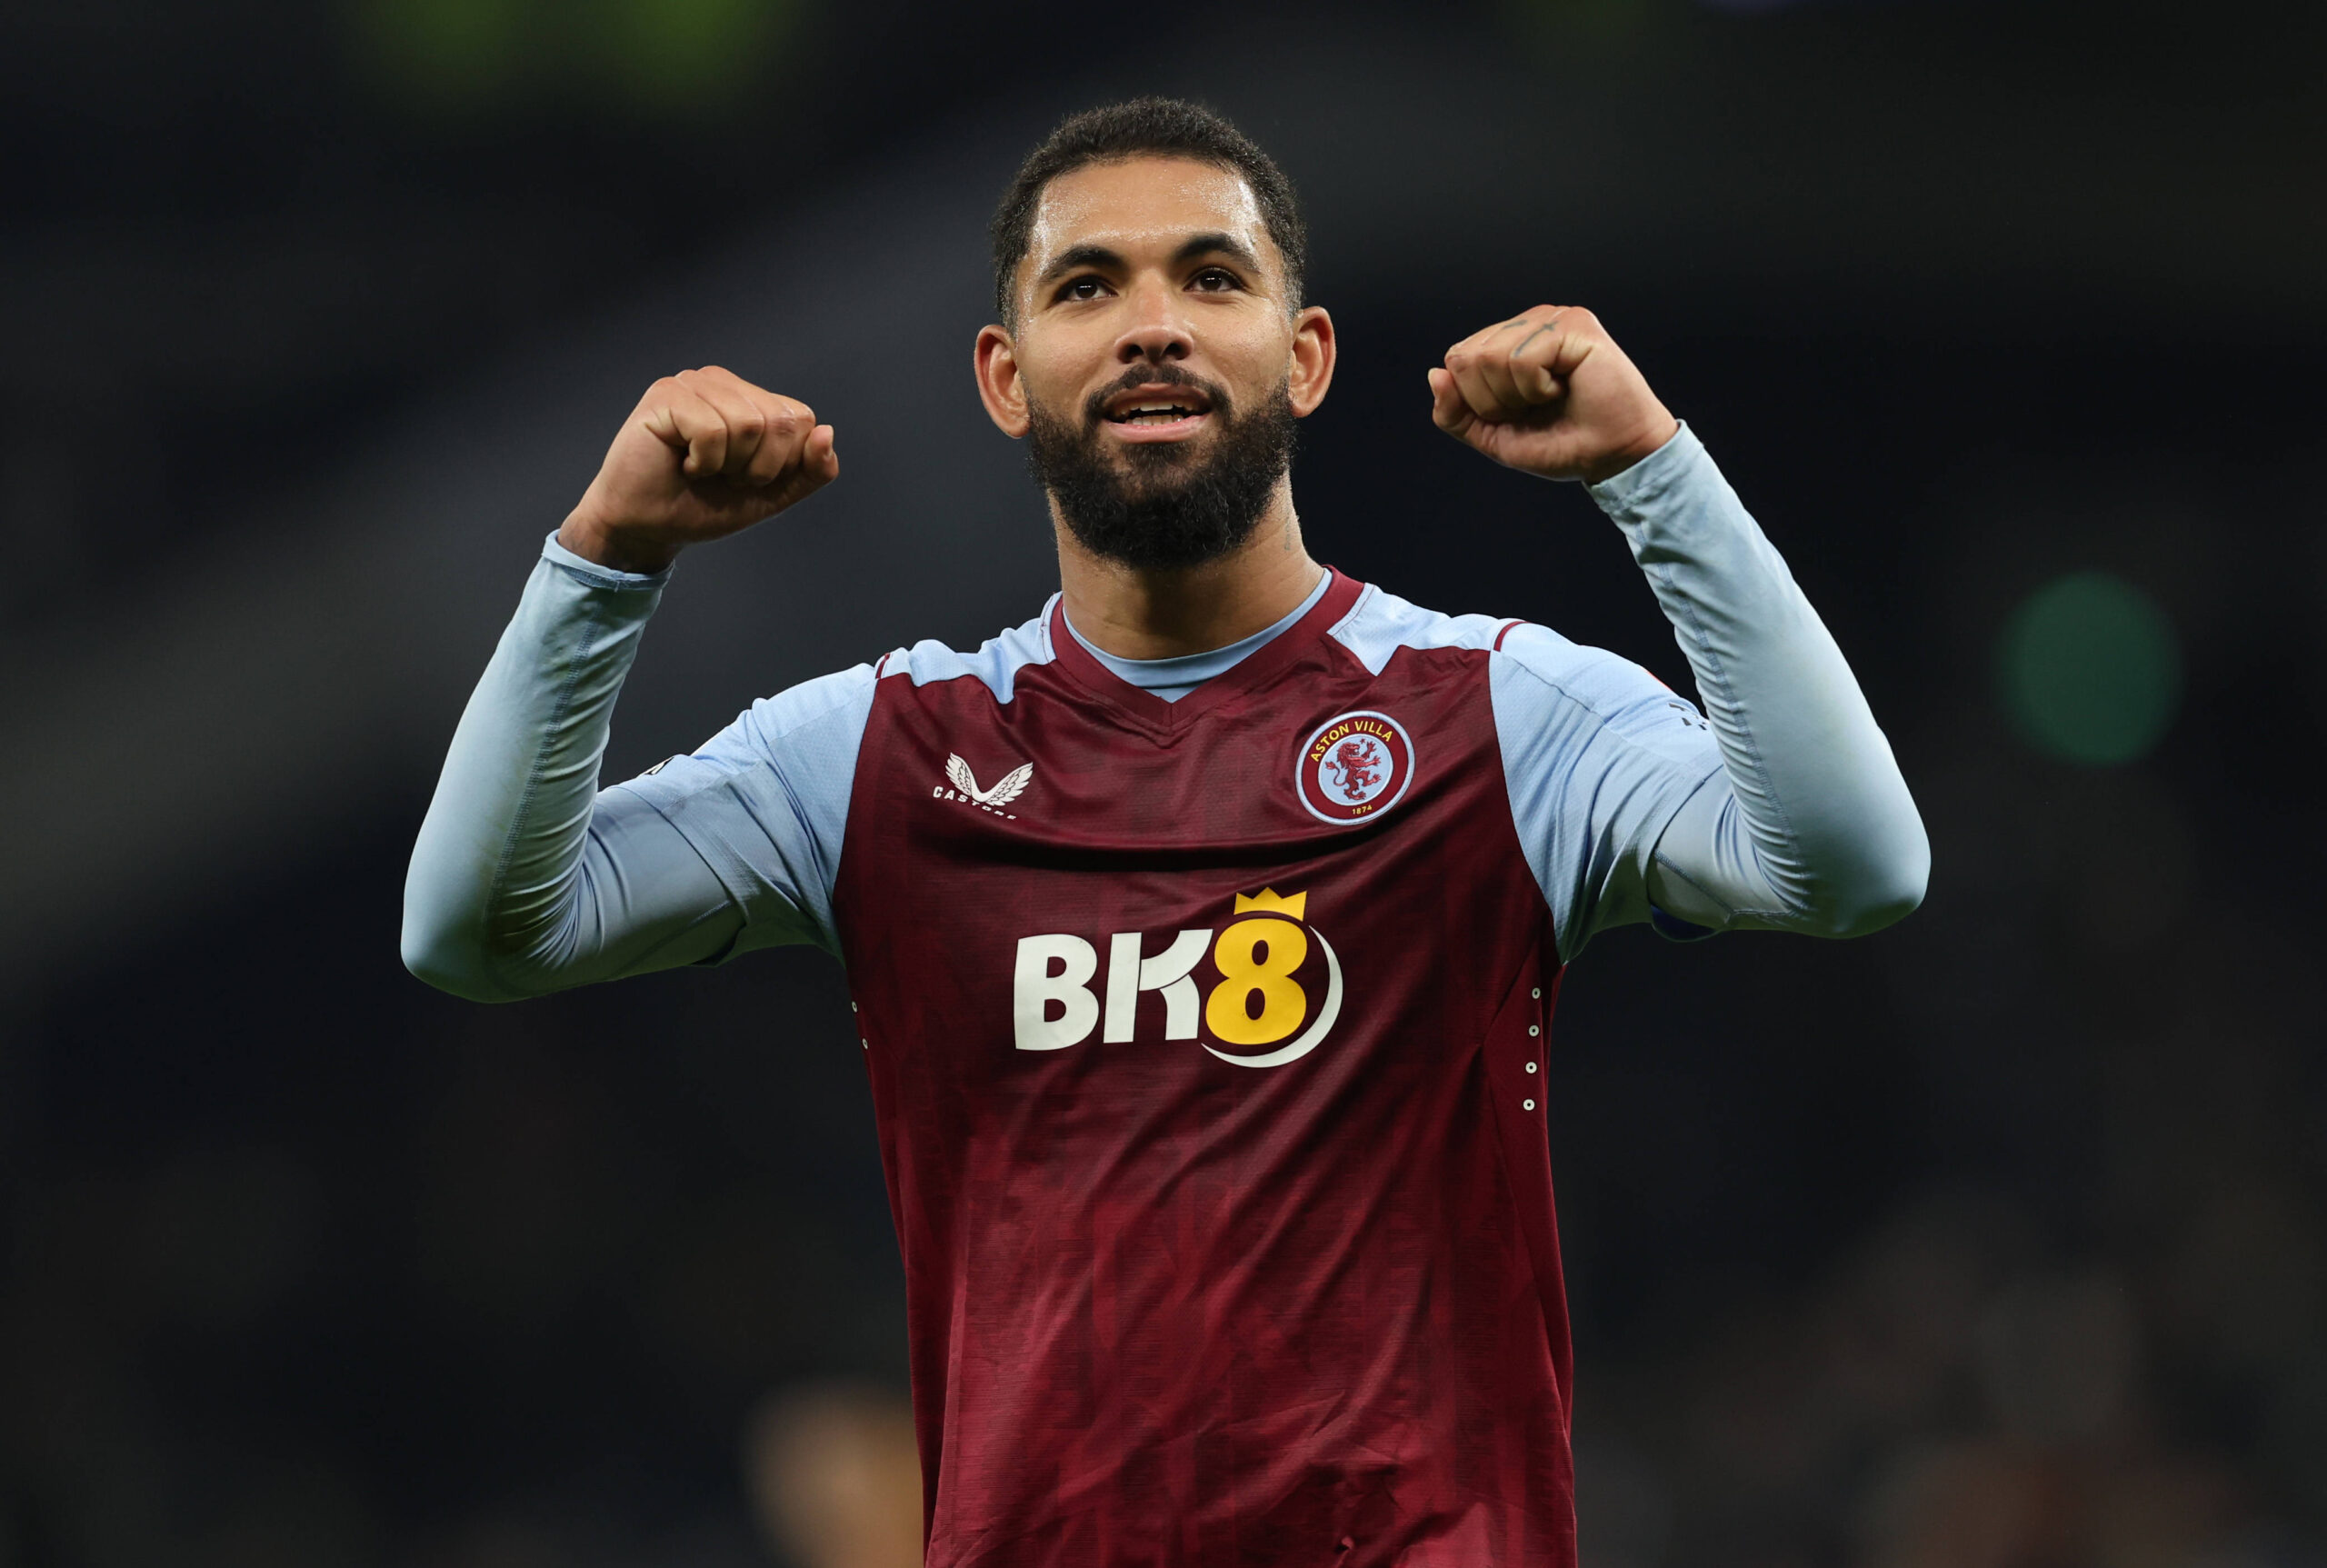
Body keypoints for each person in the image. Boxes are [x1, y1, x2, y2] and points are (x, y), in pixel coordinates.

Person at [404, 97, 1927, 1568]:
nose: (1154, 321)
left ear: (1304, 354)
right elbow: (480, 929)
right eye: (1089, 285)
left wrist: (1656, 475)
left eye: (1213, 275)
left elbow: (1853, 865)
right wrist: (603, 560)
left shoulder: (1496, 712)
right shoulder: (887, 754)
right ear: (1007, 376)